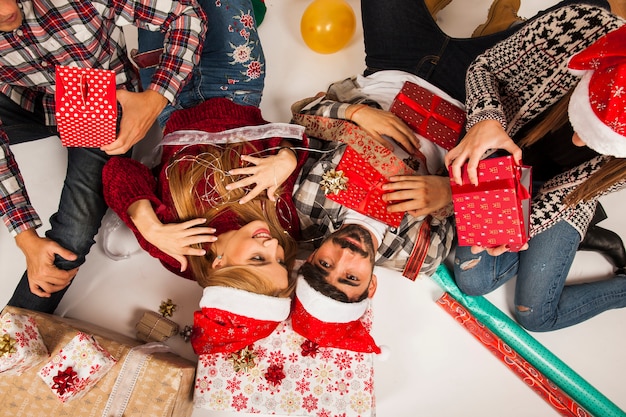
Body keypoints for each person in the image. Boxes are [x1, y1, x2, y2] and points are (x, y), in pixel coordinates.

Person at [291, 0, 612, 303]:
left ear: (312, 257)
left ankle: (461, 15)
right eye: (350, 277)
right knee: (596, 9)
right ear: (370, 286)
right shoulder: (420, 256)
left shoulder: (305, 205)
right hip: (470, 93)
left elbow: (304, 112)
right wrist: (451, 191)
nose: (345, 256)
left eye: (324, 265)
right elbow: (490, 196)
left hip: (394, 63)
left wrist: (356, 114)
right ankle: (500, 26)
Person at [2, 0, 207, 314]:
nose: (5, 8)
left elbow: (186, 13)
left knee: (74, 234)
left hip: (96, 97)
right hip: (22, 101)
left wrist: (156, 98)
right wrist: (24, 236)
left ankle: (14, 337)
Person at [102, 0, 308, 298]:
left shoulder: (181, 255)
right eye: (279, 260)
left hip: (166, 97)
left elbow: (119, 170)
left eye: (259, 259)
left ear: (222, 266)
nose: (274, 247)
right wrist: (288, 159)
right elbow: (296, 142)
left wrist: (149, 227)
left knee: (155, 5)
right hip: (237, 82)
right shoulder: (284, 228)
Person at [447, 7, 626, 331]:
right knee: (473, 281)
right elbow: (484, 66)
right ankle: (580, 238)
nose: (577, 141)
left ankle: (590, 245)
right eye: (583, 123)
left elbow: (570, 194)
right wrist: (485, 117)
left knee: (535, 316)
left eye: (600, 142)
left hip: (568, 197)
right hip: (501, 153)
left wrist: (525, 226)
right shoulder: (580, 25)